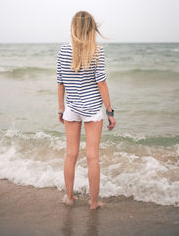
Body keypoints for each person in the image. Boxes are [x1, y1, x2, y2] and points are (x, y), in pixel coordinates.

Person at [57, 11, 116, 210]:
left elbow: (60, 83)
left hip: (71, 108)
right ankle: (93, 202)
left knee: (70, 154)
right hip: (92, 110)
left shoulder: (63, 51)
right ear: (91, 29)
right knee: (92, 156)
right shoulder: (97, 52)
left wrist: (61, 108)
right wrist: (110, 111)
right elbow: (101, 84)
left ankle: (69, 197)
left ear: (74, 27)